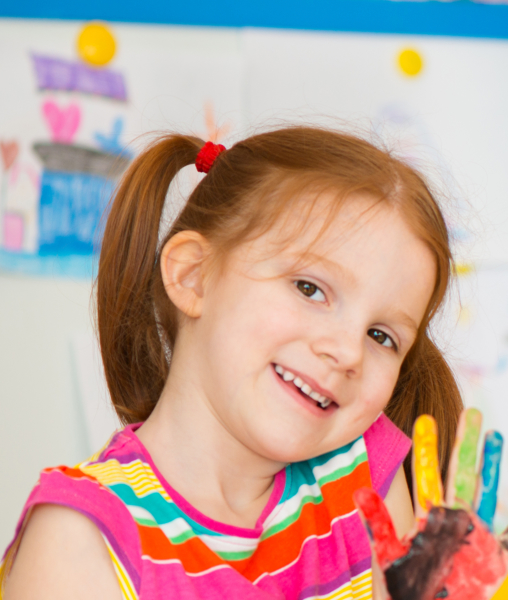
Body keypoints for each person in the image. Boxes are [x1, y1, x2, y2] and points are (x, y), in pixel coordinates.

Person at [1, 127, 464, 599]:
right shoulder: (83, 535)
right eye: (310, 289)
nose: (347, 352)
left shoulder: (362, 476)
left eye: (381, 336)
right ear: (194, 276)